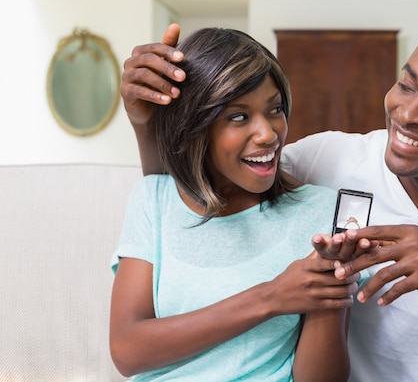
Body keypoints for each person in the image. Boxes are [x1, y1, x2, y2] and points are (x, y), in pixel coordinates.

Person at [120, 23, 418, 382]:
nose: (409, 113)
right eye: (406, 85)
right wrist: (146, 121)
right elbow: (200, 192)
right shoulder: (327, 160)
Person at [109, 27, 360, 382]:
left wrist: (329, 294)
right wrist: (272, 297)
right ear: (193, 127)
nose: (268, 134)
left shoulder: (321, 212)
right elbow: (127, 351)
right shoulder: (154, 200)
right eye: (239, 117)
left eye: (275, 109)